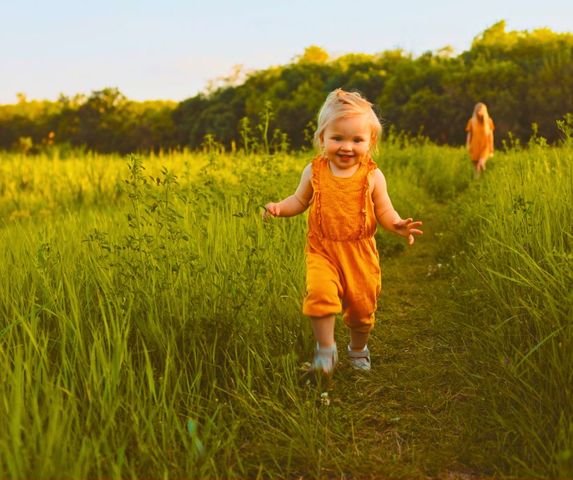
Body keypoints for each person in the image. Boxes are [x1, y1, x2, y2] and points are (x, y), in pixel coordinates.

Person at [262, 89, 423, 375]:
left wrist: (397, 224)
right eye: (337, 138)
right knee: (320, 294)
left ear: (370, 142)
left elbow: (384, 210)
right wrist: (278, 207)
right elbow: (299, 201)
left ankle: (358, 349)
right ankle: (326, 350)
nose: (346, 146)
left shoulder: (372, 175)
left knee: (362, 311)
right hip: (322, 249)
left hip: (359, 252)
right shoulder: (314, 171)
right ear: (322, 138)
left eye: (356, 140)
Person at [465, 102, 495, 176]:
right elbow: (469, 135)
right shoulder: (471, 121)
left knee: (481, 163)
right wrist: (468, 145)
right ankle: (478, 183)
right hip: (475, 146)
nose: (479, 112)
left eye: (480, 110)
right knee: (476, 168)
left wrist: (491, 149)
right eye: (477, 110)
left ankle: (488, 176)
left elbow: (491, 136)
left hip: (485, 146)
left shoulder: (489, 121)